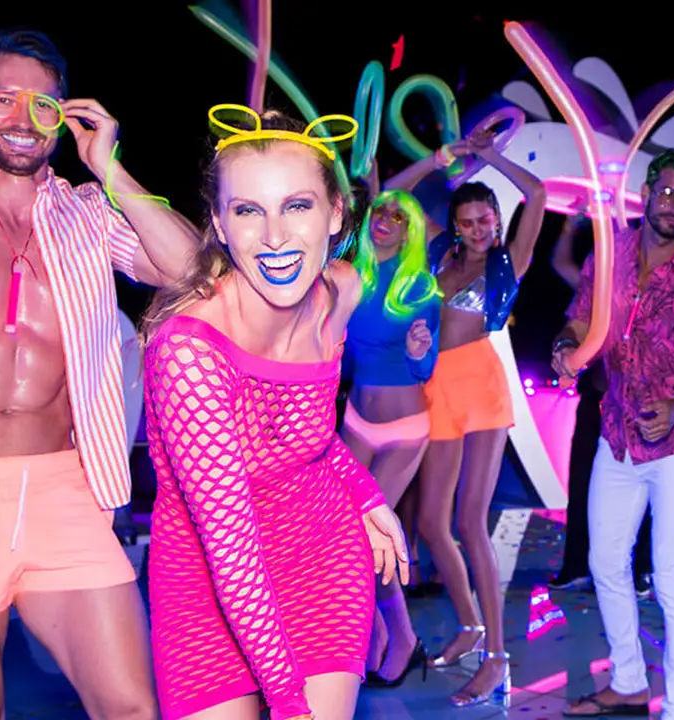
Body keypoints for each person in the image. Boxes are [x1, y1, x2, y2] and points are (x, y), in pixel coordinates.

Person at [0, 29, 201, 718]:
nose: (24, 121)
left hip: (65, 496)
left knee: (132, 708)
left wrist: (110, 169)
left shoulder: (90, 213)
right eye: (3, 100)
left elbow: (192, 272)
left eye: (44, 105)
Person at [140, 106, 409, 720]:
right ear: (219, 223)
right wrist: (288, 702)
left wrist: (365, 494)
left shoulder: (340, 292)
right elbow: (230, 548)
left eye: (297, 206)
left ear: (336, 212)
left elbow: (307, 436)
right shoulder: (190, 350)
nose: (276, 237)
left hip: (322, 557)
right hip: (210, 583)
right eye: (248, 211)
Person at [554, 149, 674, 720]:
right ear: (647, 190)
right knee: (605, 561)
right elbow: (580, 316)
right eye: (668, 193)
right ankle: (629, 682)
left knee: (670, 574)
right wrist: (566, 346)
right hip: (616, 434)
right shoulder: (609, 254)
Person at [387, 127, 547, 705]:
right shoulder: (434, 254)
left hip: (480, 386)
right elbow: (390, 199)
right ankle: (470, 625)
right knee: (431, 521)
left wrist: (487, 155)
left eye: (488, 220)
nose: (481, 230)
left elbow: (539, 193)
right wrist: (438, 159)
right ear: (455, 225)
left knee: (471, 523)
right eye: (471, 221)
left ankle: (497, 658)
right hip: (435, 390)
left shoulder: (509, 262)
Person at [341, 188, 441, 687]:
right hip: (355, 420)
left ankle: (400, 638)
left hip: (404, 429)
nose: (385, 219)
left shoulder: (419, 284)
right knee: (343, 538)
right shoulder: (346, 274)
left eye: (399, 216)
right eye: (380, 210)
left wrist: (420, 349)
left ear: (411, 231)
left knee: (369, 539)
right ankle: (380, 635)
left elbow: (427, 365)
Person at [548, 200, 653, 597]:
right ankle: (576, 564)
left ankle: (640, 570)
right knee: (583, 485)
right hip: (597, 401)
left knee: (643, 488)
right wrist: (571, 225)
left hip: (641, 408)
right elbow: (561, 265)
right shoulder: (599, 288)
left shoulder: (659, 288)